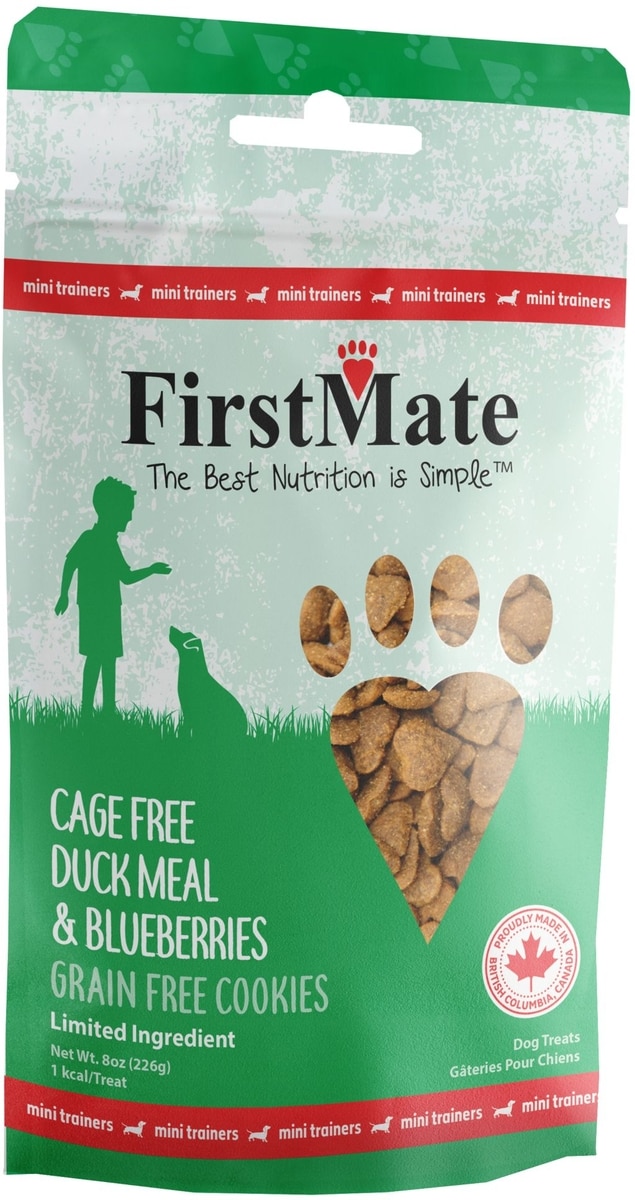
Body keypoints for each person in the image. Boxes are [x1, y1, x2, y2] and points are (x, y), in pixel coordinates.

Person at [54, 477, 171, 715]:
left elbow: (125, 577)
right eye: (127, 510)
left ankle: (106, 711)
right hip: (96, 609)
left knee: (107, 659)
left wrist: (151, 570)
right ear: (112, 510)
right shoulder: (91, 539)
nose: (130, 517)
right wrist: (63, 594)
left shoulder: (107, 541)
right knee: (96, 658)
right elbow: (71, 562)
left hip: (108, 608)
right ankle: (87, 711)